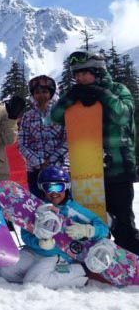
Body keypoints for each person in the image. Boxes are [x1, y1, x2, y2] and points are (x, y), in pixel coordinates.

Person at [51, 51, 139, 254]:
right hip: (87, 172)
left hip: (118, 170)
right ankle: (98, 261)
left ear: (98, 71)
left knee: (123, 224)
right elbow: (55, 117)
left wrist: (102, 95)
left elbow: (122, 115)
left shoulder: (118, 90)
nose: (79, 78)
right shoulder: (77, 95)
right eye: (76, 74)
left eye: (84, 73)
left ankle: (132, 261)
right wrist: (69, 98)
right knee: (91, 220)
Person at [0, 166, 108, 288]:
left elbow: (103, 228)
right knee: (6, 270)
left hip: (57, 256)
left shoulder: (74, 210)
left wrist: (87, 230)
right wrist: (38, 242)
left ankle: (79, 272)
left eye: (58, 187)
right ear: (42, 189)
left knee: (34, 283)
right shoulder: (36, 208)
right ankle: (50, 277)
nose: (54, 192)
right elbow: (25, 234)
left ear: (66, 187)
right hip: (36, 252)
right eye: (49, 187)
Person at [18, 75, 68, 199]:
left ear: (51, 93)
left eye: (45, 92)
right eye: (37, 92)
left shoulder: (61, 114)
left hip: (59, 169)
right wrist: (38, 162)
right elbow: (22, 144)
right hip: (34, 170)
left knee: (60, 202)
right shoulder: (28, 116)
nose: (41, 95)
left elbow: (67, 140)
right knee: (38, 204)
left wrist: (51, 161)